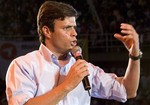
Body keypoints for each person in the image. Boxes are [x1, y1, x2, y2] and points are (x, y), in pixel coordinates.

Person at [5, 1, 142, 105]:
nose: (75, 33)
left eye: (74, 27)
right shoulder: (23, 65)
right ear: (47, 31)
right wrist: (67, 85)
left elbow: (128, 91)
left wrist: (134, 55)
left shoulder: (84, 67)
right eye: (67, 28)